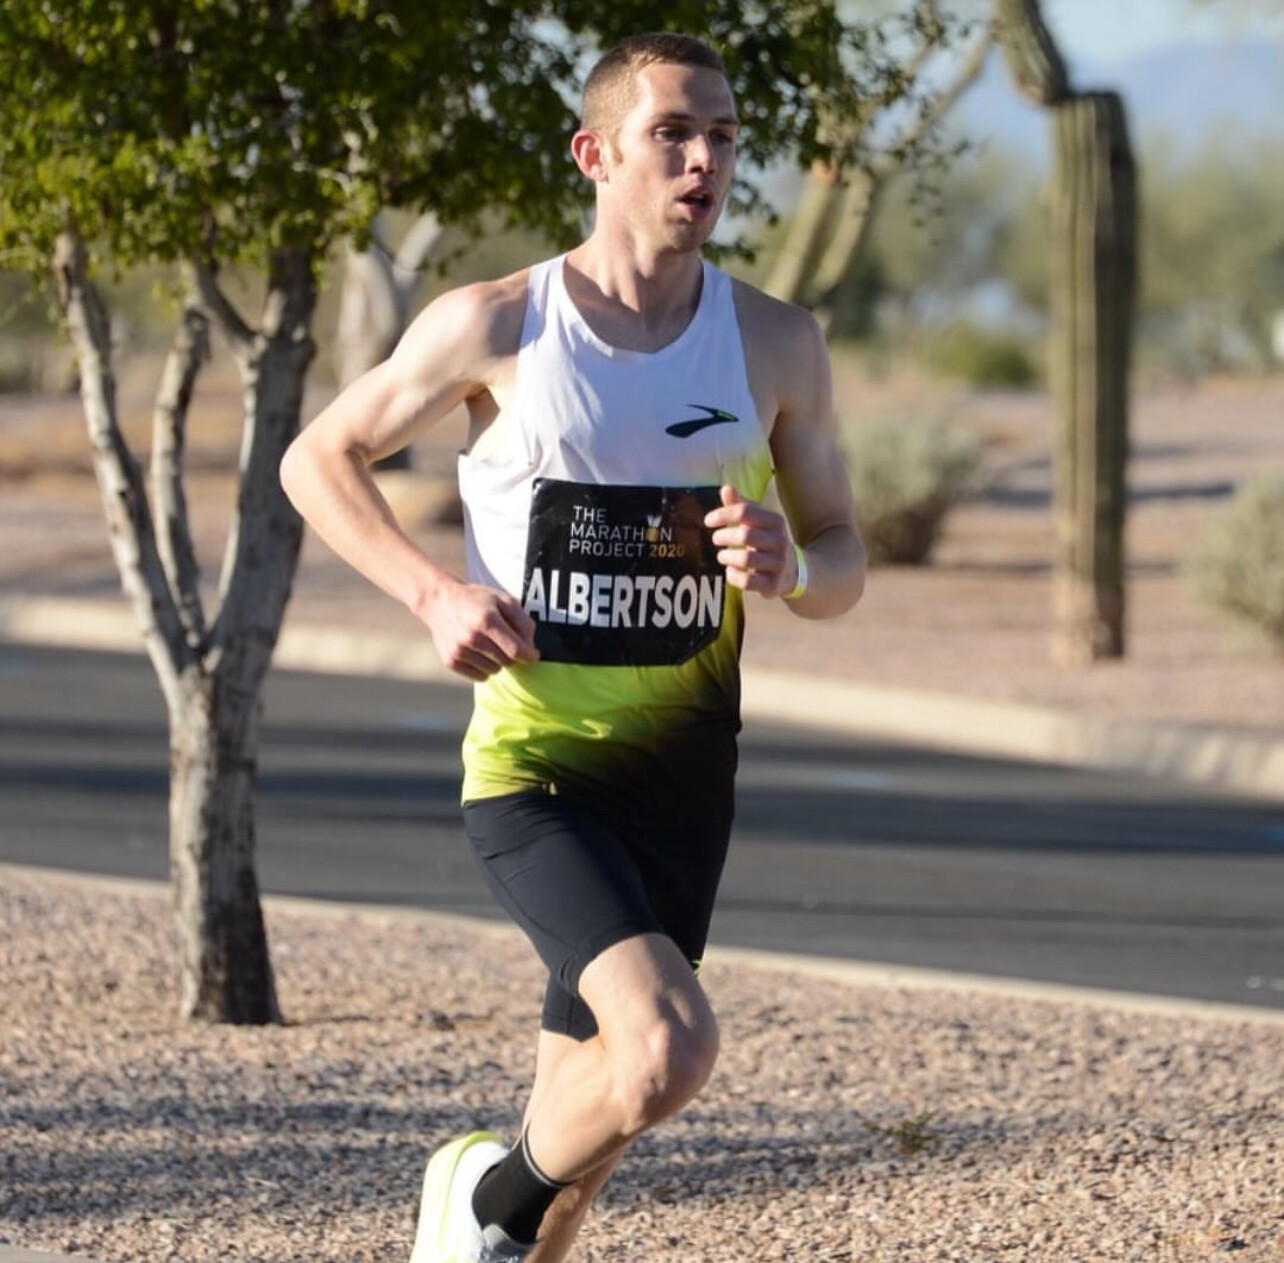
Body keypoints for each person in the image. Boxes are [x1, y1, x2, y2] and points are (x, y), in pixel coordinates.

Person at [280, 30, 866, 1263]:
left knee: (586, 1148)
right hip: (537, 775)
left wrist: (794, 568)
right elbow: (316, 458)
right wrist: (434, 595)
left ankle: (505, 1219)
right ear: (596, 154)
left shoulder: (776, 343)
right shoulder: (497, 323)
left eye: (723, 137)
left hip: (685, 778)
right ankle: (479, 1191)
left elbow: (843, 556)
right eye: (673, 134)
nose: (704, 160)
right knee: (666, 1053)